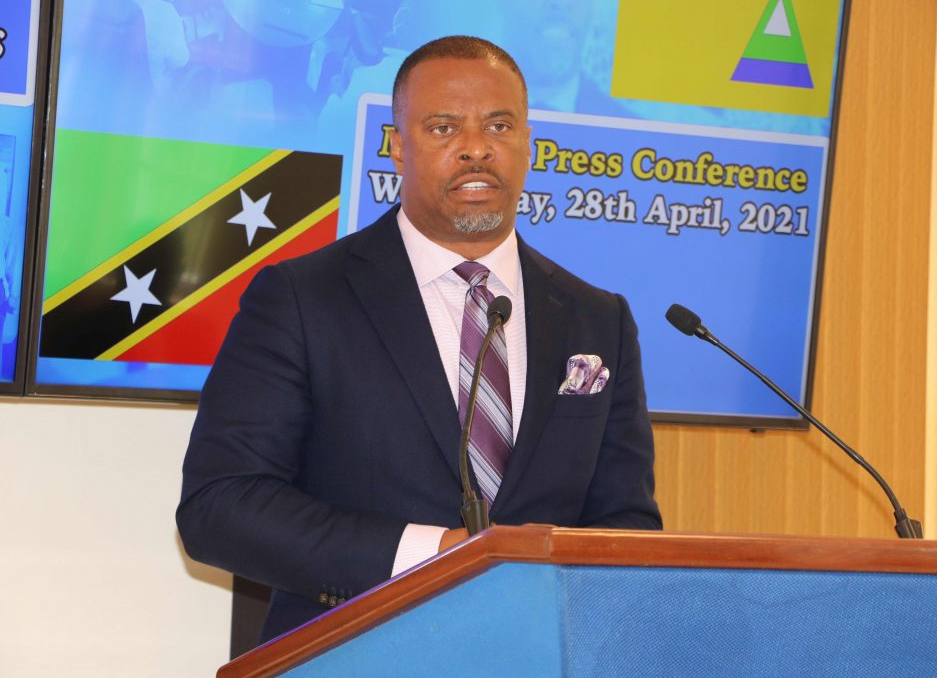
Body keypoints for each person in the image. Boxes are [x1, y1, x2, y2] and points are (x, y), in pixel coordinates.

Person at [176, 35, 661, 643]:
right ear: (398, 149)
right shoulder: (303, 299)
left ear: (528, 144)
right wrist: (431, 554)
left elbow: (626, 525)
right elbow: (221, 508)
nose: (477, 149)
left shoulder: (598, 320)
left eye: (500, 125)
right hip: (357, 650)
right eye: (443, 128)